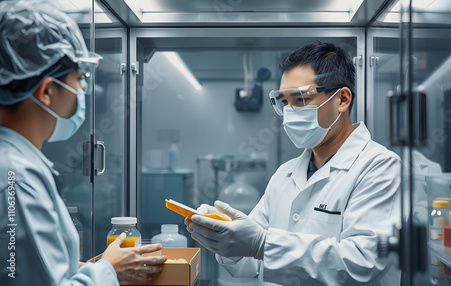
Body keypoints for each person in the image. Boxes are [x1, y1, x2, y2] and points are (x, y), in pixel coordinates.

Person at [186, 41, 401, 285]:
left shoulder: (379, 167)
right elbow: (250, 261)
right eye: (284, 102)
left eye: (300, 99)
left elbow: (362, 263)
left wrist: (262, 244)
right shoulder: (285, 174)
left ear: (342, 99)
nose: (289, 112)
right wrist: (226, 239)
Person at [0, 2, 166, 285]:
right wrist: (109, 270)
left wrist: (74, 267)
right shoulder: (17, 180)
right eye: (79, 79)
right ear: (48, 91)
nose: (83, 91)